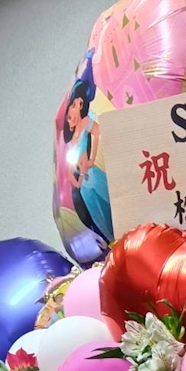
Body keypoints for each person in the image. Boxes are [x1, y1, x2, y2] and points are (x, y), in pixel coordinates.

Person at [60, 53, 112, 251]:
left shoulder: (86, 123)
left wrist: (90, 159)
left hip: (96, 178)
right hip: (85, 190)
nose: (76, 109)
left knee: (112, 206)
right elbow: (69, 175)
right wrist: (78, 181)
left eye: (80, 104)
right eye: (74, 104)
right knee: (102, 219)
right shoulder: (69, 143)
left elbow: (97, 132)